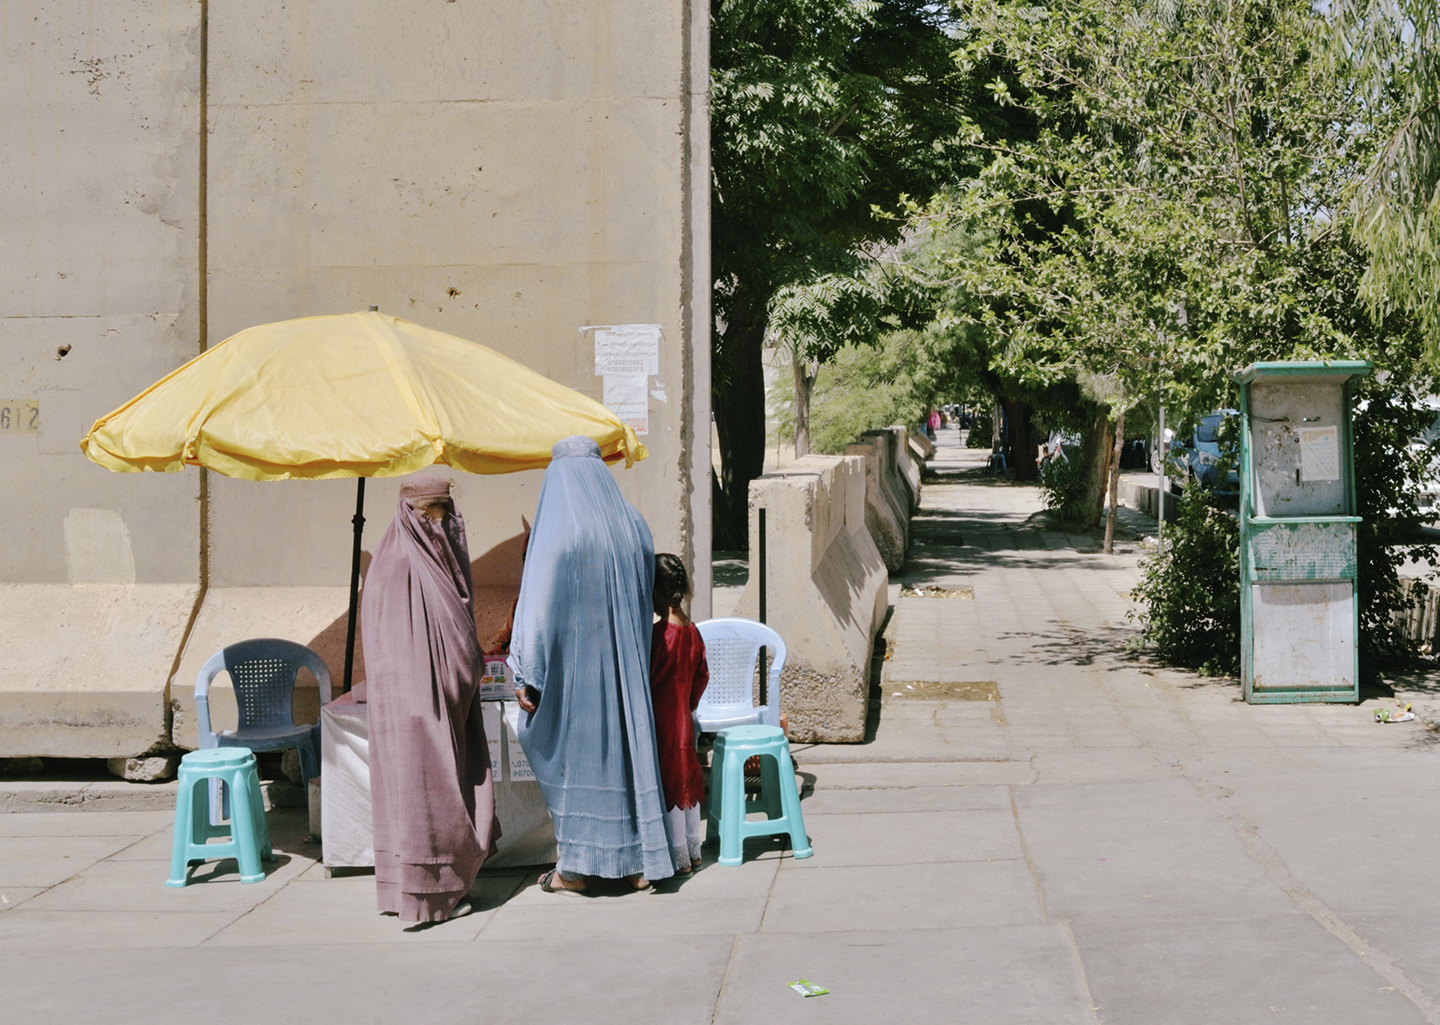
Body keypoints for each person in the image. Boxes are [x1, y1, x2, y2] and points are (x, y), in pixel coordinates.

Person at [507, 435, 673, 894]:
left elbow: (537, 609)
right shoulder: (633, 525)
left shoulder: (559, 531)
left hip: (575, 674)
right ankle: (641, 865)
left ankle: (575, 870)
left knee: (578, 763)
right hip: (625, 670)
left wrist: (528, 674)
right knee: (628, 759)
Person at [361, 473, 500, 925]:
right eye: (429, 515)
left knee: (421, 795)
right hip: (419, 707)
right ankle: (433, 898)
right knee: (431, 797)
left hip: (430, 700)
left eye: (444, 513)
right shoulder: (399, 564)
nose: (438, 524)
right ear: (409, 514)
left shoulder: (414, 558)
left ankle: (409, 893)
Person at [648, 553, 709, 875]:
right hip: (684, 719)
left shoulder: (660, 637)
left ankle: (678, 859)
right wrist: (690, 703)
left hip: (661, 722)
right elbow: (703, 674)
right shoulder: (692, 631)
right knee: (687, 781)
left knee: (670, 787)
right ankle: (692, 851)